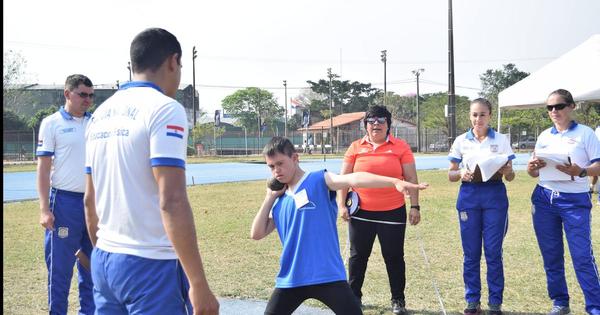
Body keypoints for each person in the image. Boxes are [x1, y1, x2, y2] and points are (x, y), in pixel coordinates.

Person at [84, 28, 219, 315]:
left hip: (106, 259)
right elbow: (171, 199)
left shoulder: (98, 115)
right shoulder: (165, 109)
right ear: (174, 61)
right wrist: (198, 283)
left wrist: (102, 253)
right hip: (150, 264)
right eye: (181, 66)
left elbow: (89, 199)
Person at [251, 136, 427, 315]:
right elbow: (256, 233)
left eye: (280, 163)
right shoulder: (280, 200)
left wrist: (394, 181)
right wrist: (269, 198)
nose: (276, 171)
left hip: (328, 276)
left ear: (295, 158)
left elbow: (354, 178)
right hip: (292, 279)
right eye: (271, 166)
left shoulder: (319, 180)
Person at [337, 105, 422, 315]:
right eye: (371, 120)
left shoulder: (400, 147)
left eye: (381, 120)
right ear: (365, 125)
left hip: (392, 211)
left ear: (388, 124)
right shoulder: (355, 147)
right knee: (358, 257)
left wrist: (414, 206)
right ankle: (354, 297)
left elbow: (411, 179)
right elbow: (343, 180)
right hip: (361, 211)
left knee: (394, 257)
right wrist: (341, 205)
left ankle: (398, 300)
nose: (376, 124)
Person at [527, 89, 600, 315]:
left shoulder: (586, 134)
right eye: (549, 107)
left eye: (558, 106)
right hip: (544, 198)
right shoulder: (544, 136)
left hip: (574, 200)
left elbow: (598, 166)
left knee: (581, 256)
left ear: (571, 107)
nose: (554, 111)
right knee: (551, 255)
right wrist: (531, 168)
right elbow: (534, 173)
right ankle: (560, 302)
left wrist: (581, 171)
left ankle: (595, 306)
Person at [447, 98, 516, 315]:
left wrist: (507, 172)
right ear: (470, 116)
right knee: (471, 253)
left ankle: (495, 302)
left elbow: (512, 175)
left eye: (483, 114)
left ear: (490, 115)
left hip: (495, 196)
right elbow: (450, 174)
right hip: (469, 196)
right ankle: (472, 300)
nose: (478, 119)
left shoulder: (502, 139)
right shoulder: (461, 141)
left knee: (493, 252)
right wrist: (460, 173)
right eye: (475, 115)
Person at [36, 74, 95, 314]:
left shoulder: (96, 122)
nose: (88, 100)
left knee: (93, 268)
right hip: (64, 203)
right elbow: (43, 168)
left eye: (91, 96)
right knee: (60, 269)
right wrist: (44, 209)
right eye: (83, 94)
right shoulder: (52, 123)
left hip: (93, 203)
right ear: (67, 93)